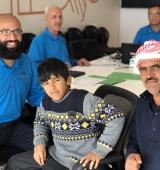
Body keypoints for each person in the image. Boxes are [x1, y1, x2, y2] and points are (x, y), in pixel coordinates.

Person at [8, 58, 125, 170]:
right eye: (46, 83)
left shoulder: (83, 100)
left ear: (68, 80)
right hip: (58, 155)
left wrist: (100, 151)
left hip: (84, 160)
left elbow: (116, 118)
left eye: (56, 80)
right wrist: (39, 143)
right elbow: (40, 122)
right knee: (14, 162)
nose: (52, 87)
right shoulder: (45, 102)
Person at [0, 14, 44, 163]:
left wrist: (61, 104)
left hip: (14, 126)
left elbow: (37, 96)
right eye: (5, 32)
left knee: (46, 150)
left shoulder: (27, 62)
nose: (12, 37)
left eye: (17, 31)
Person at [125, 40, 160, 170]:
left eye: (155, 67)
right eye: (143, 69)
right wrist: (131, 155)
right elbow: (134, 139)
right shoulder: (142, 103)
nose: (149, 75)